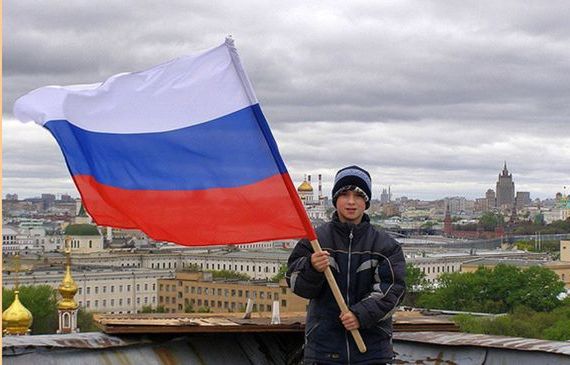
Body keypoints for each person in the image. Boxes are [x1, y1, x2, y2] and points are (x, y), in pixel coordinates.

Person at [287, 165, 406, 365]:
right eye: (344, 194)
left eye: (358, 196)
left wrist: (360, 315)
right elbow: (295, 283)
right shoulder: (315, 241)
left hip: (371, 351)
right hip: (324, 350)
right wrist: (312, 267)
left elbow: (393, 290)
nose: (351, 202)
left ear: (366, 201)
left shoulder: (385, 245)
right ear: (335, 200)